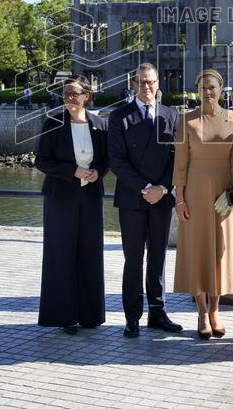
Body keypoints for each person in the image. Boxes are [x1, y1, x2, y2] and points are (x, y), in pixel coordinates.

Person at [108, 63, 183, 338]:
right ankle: (132, 317)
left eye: (150, 82)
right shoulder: (119, 117)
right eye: (141, 82)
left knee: (159, 258)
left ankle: (158, 313)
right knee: (133, 259)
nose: (146, 87)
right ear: (134, 84)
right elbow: (116, 161)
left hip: (162, 199)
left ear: (158, 83)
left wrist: (163, 188)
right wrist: (146, 187)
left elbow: (177, 158)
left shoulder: (171, 116)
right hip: (132, 199)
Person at [174, 69, 233, 339]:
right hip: (195, 191)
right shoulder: (186, 121)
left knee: (220, 253)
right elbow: (180, 164)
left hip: (223, 192)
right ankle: (201, 312)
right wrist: (180, 199)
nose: (207, 91)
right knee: (198, 250)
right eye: (202, 87)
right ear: (196, 90)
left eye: (212, 87)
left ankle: (216, 310)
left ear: (221, 88)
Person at [34, 75, 108, 334]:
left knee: (90, 254)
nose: (69, 99)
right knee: (61, 255)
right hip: (60, 198)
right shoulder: (53, 123)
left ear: (87, 96)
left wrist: (98, 172)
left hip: (90, 198)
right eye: (65, 94)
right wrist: (73, 171)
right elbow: (41, 161)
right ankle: (65, 316)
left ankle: (90, 315)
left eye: (74, 94)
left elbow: (107, 159)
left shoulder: (99, 124)